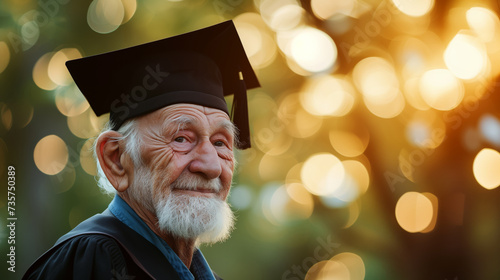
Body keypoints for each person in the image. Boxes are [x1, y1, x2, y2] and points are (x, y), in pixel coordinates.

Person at [23, 20, 260, 280]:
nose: (212, 166)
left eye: (219, 143)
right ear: (117, 159)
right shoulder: (93, 261)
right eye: (181, 138)